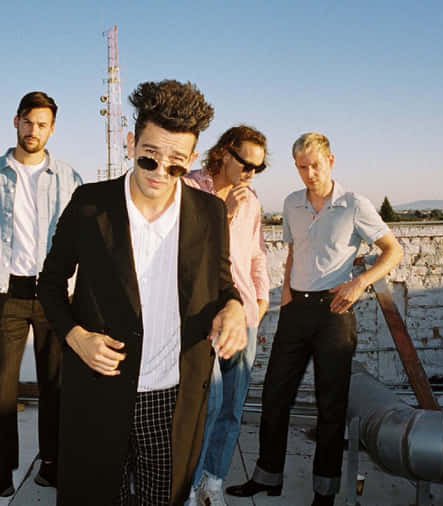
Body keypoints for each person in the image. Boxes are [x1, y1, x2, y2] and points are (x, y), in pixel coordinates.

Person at [37, 79, 248, 506]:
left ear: (190, 161)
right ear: (131, 142)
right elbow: (50, 284)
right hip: (100, 390)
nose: (159, 174)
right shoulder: (89, 204)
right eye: (150, 158)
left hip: (173, 398)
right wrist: (77, 337)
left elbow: (225, 284)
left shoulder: (208, 213)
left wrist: (234, 310)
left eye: (175, 164)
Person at [227, 132, 403, 506]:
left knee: (330, 404)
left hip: (334, 313)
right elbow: (293, 251)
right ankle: (267, 476)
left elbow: (393, 250)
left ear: (331, 161)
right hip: (296, 311)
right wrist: (287, 295)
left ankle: (325, 489)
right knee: (275, 394)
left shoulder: (354, 204)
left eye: (315, 165)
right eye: (302, 167)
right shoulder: (292, 203)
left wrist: (360, 283)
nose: (309, 174)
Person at [0, 91, 83, 506]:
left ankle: (52, 467)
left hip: (54, 294)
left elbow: (84, 240)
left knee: (55, 387)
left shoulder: (68, 178)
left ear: (52, 129)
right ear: (16, 121)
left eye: (43, 124)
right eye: (28, 122)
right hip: (5, 293)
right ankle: (1, 475)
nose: (34, 130)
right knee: (3, 390)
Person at [182, 126, 270, 506]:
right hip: (202, 316)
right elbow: (187, 254)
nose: (250, 172)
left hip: (245, 316)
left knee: (232, 407)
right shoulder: (189, 189)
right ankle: (186, 484)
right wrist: (224, 214)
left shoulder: (252, 201)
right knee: (206, 404)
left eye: (259, 167)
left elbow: (256, 255)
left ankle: (212, 482)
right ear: (223, 153)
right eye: (246, 163)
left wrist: (262, 300)